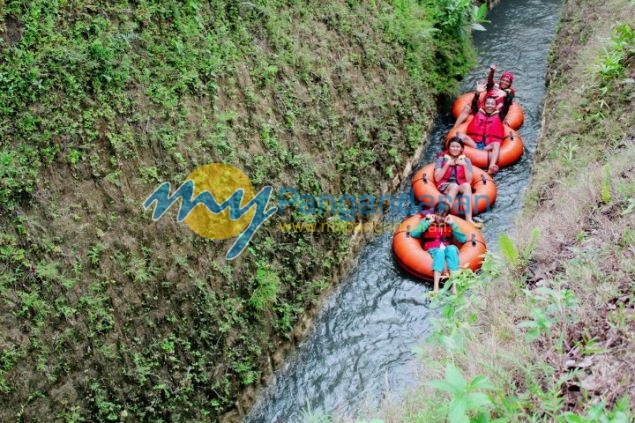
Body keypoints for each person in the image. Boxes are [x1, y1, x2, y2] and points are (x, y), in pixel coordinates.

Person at [454, 81, 511, 175]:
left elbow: (506, 108)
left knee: (496, 145)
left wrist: (506, 96)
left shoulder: (499, 115)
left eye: (492, 104)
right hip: (475, 143)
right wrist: (477, 94)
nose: (490, 106)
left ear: (495, 106)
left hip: (488, 146)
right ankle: (455, 157)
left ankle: (491, 167)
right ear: (484, 105)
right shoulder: (478, 112)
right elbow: (474, 105)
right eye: (488, 104)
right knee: (460, 135)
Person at [410, 201, 467, 294]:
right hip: (433, 248)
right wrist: (428, 223)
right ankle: (436, 287)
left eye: (443, 216)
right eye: (438, 215)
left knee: (452, 249)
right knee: (440, 252)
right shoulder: (427, 220)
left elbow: (462, 239)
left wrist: (452, 224)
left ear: (447, 216)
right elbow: (414, 233)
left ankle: (454, 287)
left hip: (446, 247)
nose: (440, 218)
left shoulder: (450, 223)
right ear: (435, 213)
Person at [434, 136, 475, 224]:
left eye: (457, 147)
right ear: (448, 148)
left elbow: (469, 181)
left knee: (467, 186)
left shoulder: (466, 160)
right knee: (454, 186)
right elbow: (437, 178)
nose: (455, 149)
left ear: (461, 149)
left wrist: (464, 166)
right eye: (453, 146)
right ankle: (443, 216)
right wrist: (447, 165)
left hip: (460, 184)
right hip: (445, 184)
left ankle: (469, 219)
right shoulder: (441, 159)